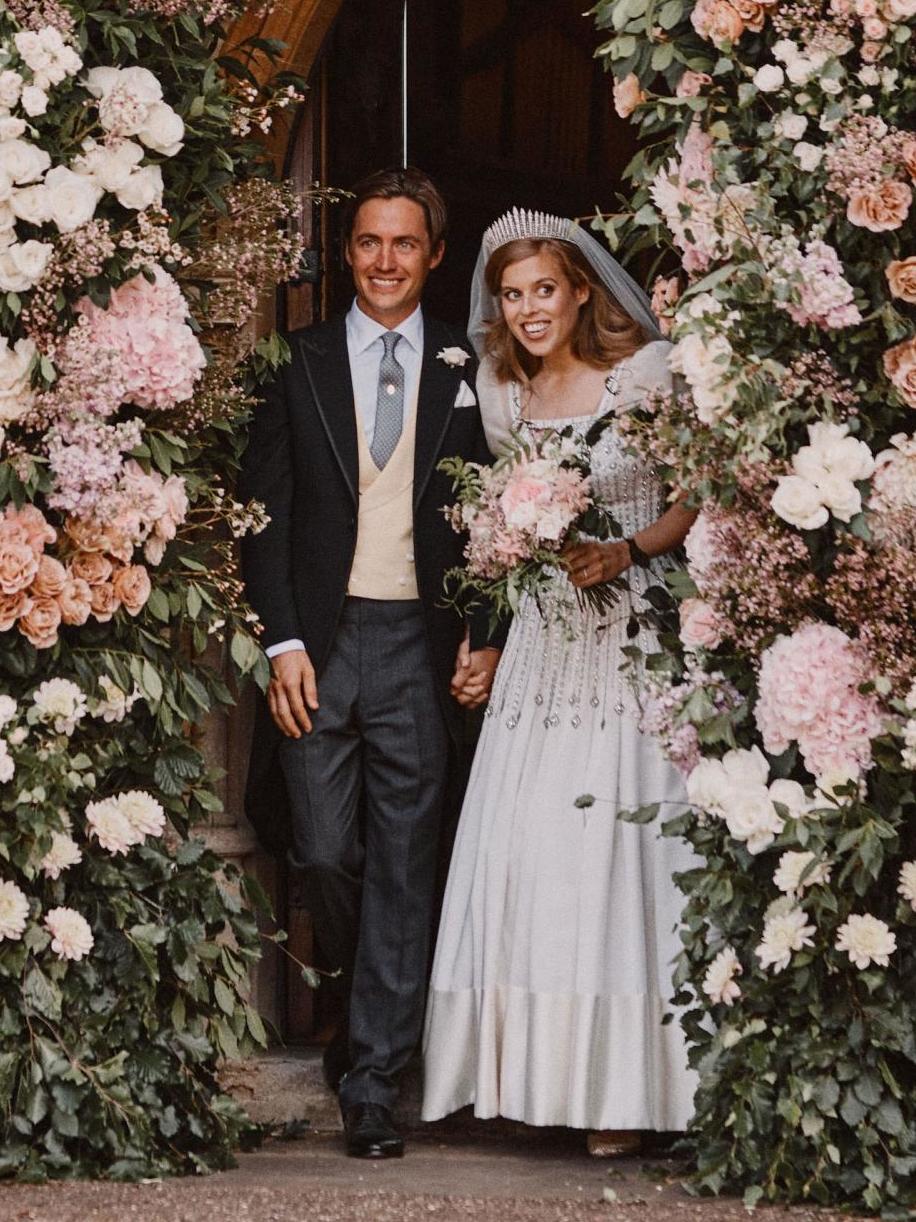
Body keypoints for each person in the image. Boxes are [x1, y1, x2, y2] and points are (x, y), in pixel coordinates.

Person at [239, 167, 505, 1160]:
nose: (384, 261)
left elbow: (496, 524)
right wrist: (283, 641)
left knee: (405, 862)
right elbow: (261, 518)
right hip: (323, 636)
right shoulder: (297, 361)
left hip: (419, 645)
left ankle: (371, 1081)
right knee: (321, 851)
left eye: (404, 243)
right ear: (346, 252)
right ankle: (360, 1009)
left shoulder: (468, 370)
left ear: (434, 254)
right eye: (367, 243)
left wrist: (482, 633)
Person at [421, 209, 698, 1153]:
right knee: (532, 849)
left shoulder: (645, 376)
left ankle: (624, 1093)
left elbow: (694, 492)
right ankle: (530, 1077)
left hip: (630, 636)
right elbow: (501, 544)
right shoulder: (503, 396)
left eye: (545, 289)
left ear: (583, 289)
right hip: (543, 648)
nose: (529, 309)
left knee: (618, 855)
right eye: (512, 294)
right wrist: (487, 639)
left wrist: (627, 547)